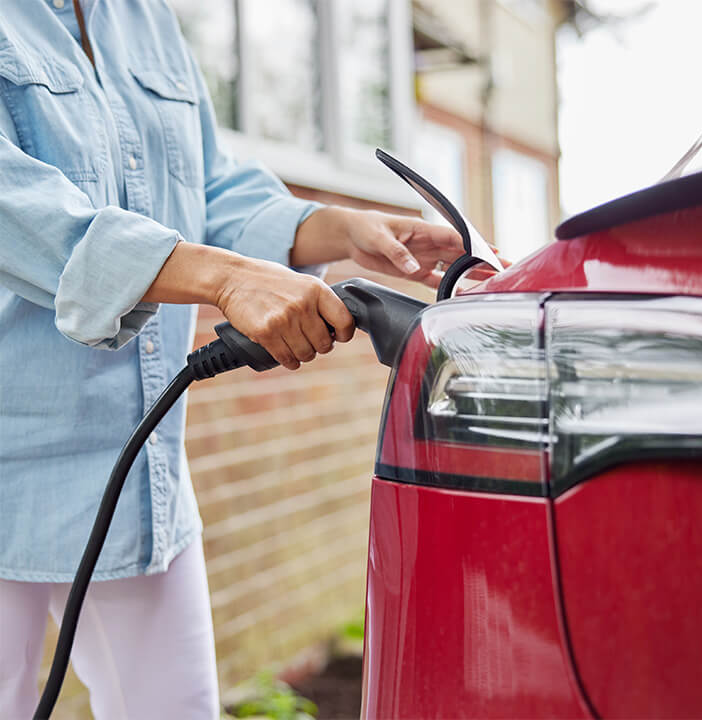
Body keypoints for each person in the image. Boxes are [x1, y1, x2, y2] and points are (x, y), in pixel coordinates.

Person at [0, 1, 482, 717]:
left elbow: (208, 182)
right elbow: (21, 211)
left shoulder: (142, 18)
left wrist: (342, 229)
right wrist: (227, 278)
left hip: (134, 468)